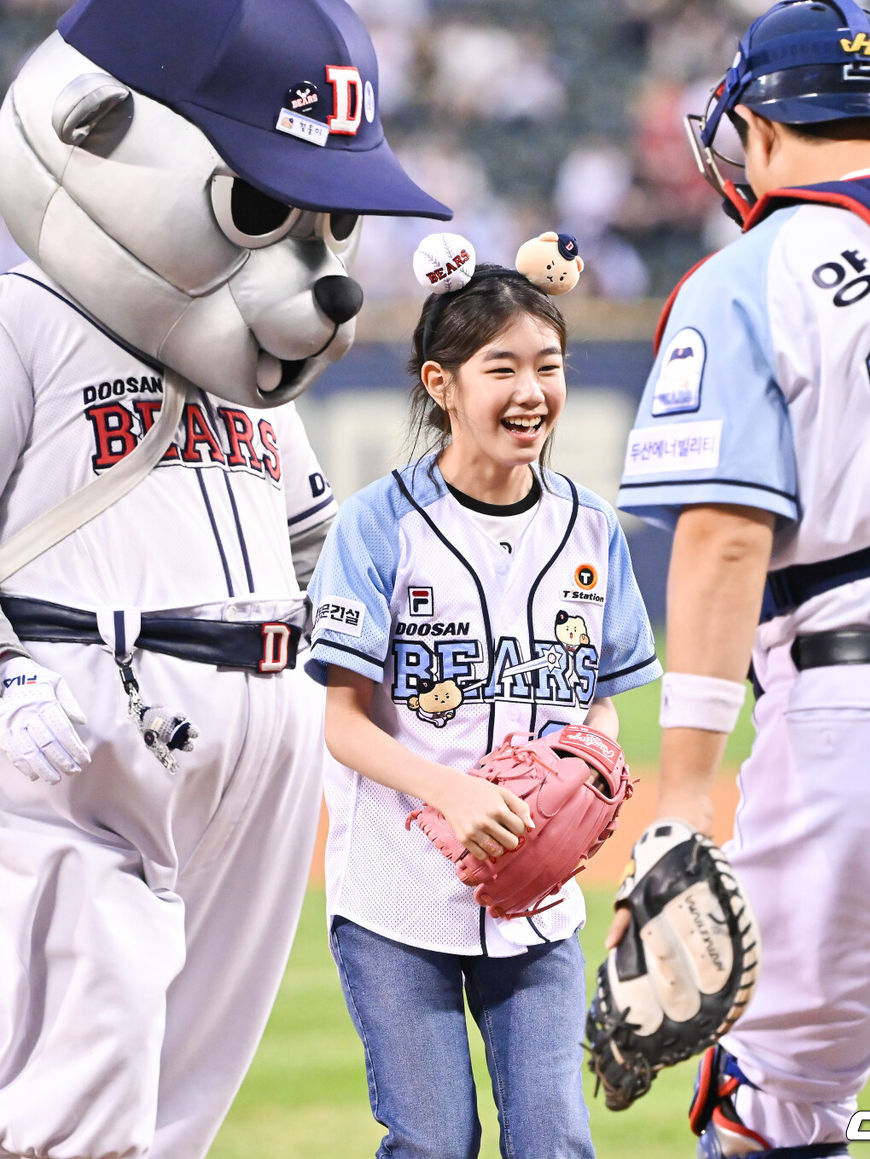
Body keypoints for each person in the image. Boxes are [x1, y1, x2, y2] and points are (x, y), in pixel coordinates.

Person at [0, 0, 452, 1156]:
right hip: (85, 727)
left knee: (177, 1109)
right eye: (259, 205)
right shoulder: (24, 319)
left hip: (259, 745)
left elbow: (310, 545)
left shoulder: (241, 382)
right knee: (72, 1095)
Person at [615, 0, 870, 1155]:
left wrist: (684, 794)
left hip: (855, 706)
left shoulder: (750, 271)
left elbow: (724, 538)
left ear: (757, 124)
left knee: (774, 1101)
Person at [305, 242, 662, 1159]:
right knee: (434, 1143)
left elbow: (605, 701)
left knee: (555, 1142)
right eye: (501, 367)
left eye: (549, 366)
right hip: (400, 893)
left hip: (539, 901)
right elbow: (342, 722)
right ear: (443, 383)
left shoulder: (590, 527)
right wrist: (454, 791)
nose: (531, 390)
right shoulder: (378, 523)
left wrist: (586, 767)